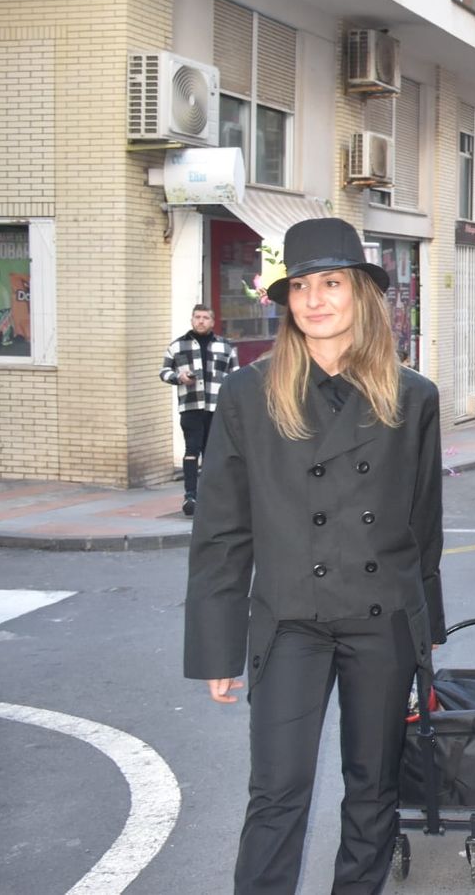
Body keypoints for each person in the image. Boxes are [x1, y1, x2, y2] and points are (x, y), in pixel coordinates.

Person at [184, 217, 445, 895]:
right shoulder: (249, 393)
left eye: (332, 282)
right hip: (290, 619)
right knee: (276, 793)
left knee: (374, 791)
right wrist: (217, 648)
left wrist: (426, 637)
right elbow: (221, 530)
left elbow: (424, 528)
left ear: (361, 293)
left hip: (382, 618)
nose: (315, 299)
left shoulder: (412, 396)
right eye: (301, 286)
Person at [160, 303, 240, 516]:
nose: (201, 321)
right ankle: (190, 496)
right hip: (191, 406)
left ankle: (212, 497)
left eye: (205, 317)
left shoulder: (226, 346)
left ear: (212, 322)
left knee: (213, 454)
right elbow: (164, 371)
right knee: (191, 451)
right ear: (192, 320)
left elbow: (236, 375)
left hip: (216, 407)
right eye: (197, 317)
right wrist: (179, 377)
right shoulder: (177, 346)